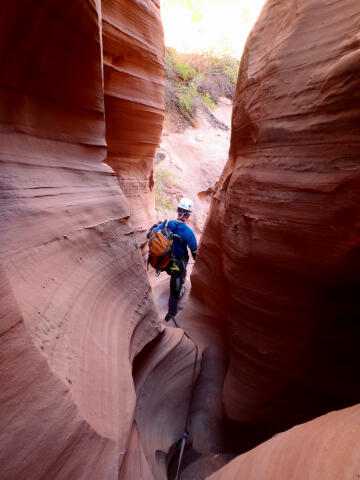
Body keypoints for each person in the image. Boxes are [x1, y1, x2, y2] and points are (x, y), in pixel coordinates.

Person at [155, 197, 197, 322]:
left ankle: (179, 286)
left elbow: (154, 233)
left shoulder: (167, 224)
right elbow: (194, 251)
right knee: (176, 288)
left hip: (165, 261)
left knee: (176, 276)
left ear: (178, 210)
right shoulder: (188, 232)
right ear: (188, 214)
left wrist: (159, 226)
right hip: (178, 265)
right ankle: (171, 314)